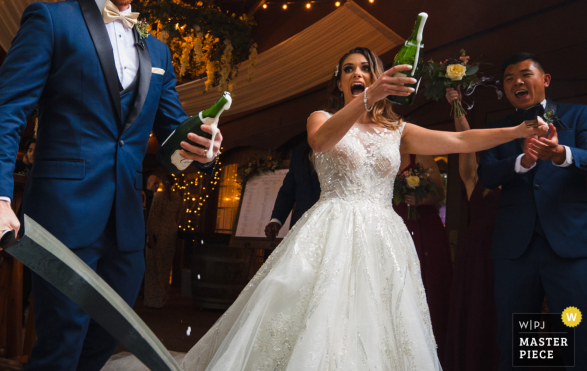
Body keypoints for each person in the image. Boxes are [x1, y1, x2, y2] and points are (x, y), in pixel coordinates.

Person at [106, 47, 545, 371]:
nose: (357, 73)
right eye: (349, 70)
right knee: (315, 318)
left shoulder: (398, 130)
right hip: (330, 228)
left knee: (377, 325)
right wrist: (365, 97)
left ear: (381, 77)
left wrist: (516, 129)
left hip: (384, 237)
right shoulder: (320, 117)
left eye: (365, 68)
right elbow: (320, 143)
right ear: (340, 84)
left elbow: (461, 142)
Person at [0, 0, 222, 370]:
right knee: (61, 344)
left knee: (103, 346)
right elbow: (8, 110)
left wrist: (201, 145)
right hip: (63, 216)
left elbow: (171, 136)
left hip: (127, 224)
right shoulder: (51, 20)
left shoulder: (156, 44)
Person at [477, 53, 587, 370]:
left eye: (525, 74)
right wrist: (521, 163)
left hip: (570, 249)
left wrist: (560, 153)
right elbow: (486, 175)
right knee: (519, 342)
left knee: (577, 336)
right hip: (516, 252)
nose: (517, 82)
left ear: (545, 80)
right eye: (509, 78)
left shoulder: (578, 116)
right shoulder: (498, 128)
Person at [443, 87, 501, 370]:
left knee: (497, 311)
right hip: (474, 254)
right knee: (473, 310)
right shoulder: (473, 179)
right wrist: (457, 108)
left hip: (504, 252)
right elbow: (465, 142)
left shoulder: (517, 180)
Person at [392, 152, 452, 361]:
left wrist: (421, 198)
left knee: (428, 286)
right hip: (392, 225)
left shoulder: (418, 154)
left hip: (422, 225)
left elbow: (440, 192)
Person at [264, 142, 320, 240]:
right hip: (300, 226)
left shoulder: (343, 150)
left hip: (335, 224)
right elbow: (288, 190)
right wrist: (276, 220)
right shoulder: (299, 152)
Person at [143, 174, 181, 308]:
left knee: (154, 267)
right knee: (166, 266)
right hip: (171, 234)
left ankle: (153, 299)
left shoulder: (158, 197)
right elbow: (179, 218)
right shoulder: (177, 199)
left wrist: (150, 234)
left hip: (159, 235)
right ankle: (164, 296)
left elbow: (153, 216)